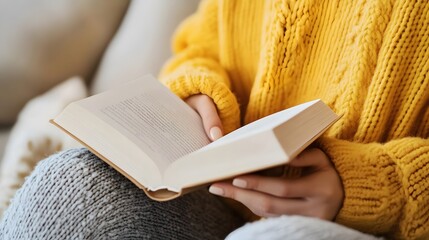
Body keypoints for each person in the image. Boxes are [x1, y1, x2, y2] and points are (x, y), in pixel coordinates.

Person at [1, 0, 428, 239]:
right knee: (71, 184)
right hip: (220, 195)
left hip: (371, 224)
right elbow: (203, 40)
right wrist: (198, 88)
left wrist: (371, 188)